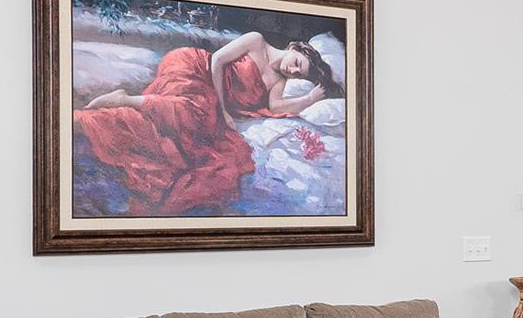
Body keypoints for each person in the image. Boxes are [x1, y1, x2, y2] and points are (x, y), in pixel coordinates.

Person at [74, 31, 337, 215]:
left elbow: (276, 107)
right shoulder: (257, 41)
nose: (292, 70)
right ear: (296, 49)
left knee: (194, 125)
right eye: (297, 64)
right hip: (196, 67)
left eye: (297, 73)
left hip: (208, 95)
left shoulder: (278, 81)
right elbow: (217, 61)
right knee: (197, 112)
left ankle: (127, 102)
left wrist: (309, 97)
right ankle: (126, 99)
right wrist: (223, 111)